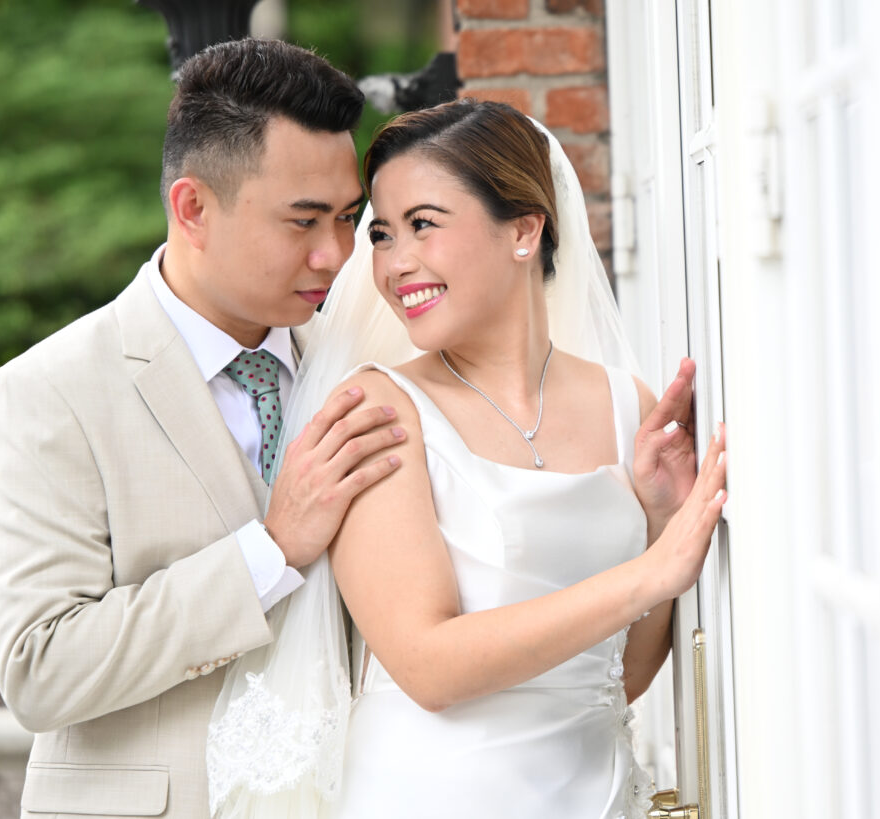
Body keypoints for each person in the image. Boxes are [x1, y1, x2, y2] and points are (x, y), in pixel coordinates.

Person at [208, 100, 726, 819]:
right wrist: (650, 569)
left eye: (423, 224)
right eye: (382, 235)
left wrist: (667, 518)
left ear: (523, 228)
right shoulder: (379, 412)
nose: (394, 264)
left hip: (598, 792)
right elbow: (428, 664)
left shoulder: (625, 403)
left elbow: (620, 674)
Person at [0, 39, 406, 819]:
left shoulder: (363, 373)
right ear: (193, 207)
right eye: (303, 221)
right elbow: (41, 668)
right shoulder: (46, 392)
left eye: (348, 219)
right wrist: (269, 552)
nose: (336, 254)